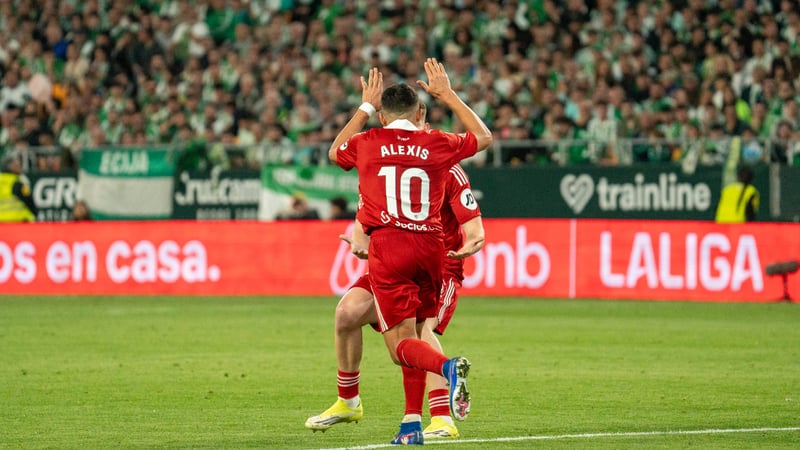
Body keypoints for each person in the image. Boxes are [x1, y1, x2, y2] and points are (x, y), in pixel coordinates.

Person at [327, 58, 492, 445]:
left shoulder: (369, 144)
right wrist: (448, 94)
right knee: (360, 316)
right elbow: (483, 137)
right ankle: (410, 424)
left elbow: (336, 152)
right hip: (431, 246)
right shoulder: (438, 144)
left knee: (404, 344)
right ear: (420, 114)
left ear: (382, 116)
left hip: (392, 249)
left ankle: (445, 379)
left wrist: (364, 107)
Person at [0, 151, 37, 222]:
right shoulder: (17, 184)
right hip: (18, 221)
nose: (20, 167)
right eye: (17, 165)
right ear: (10, 166)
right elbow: (29, 202)